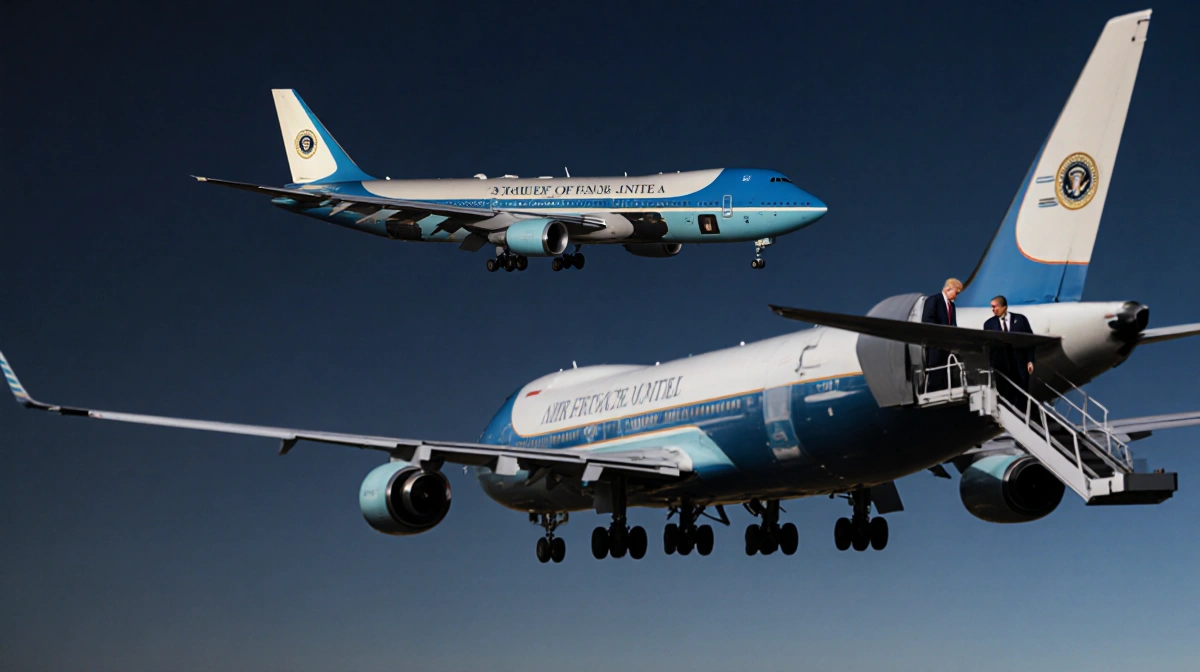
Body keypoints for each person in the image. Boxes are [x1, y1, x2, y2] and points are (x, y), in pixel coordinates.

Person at [983, 294, 1035, 407]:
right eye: (992, 307)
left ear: (1004, 307)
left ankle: (1020, 413)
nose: (993, 310)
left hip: (1019, 363)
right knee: (1005, 391)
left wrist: (1030, 360)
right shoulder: (989, 324)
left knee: (1022, 390)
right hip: (1001, 365)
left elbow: (1029, 340)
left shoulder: (1020, 320)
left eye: (995, 307)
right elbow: (988, 347)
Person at [921, 278, 962, 391]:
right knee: (936, 373)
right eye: (956, 292)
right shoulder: (933, 300)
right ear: (948, 289)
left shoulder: (952, 306)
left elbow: (953, 325)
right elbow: (927, 321)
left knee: (946, 374)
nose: (956, 296)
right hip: (936, 345)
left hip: (947, 347)